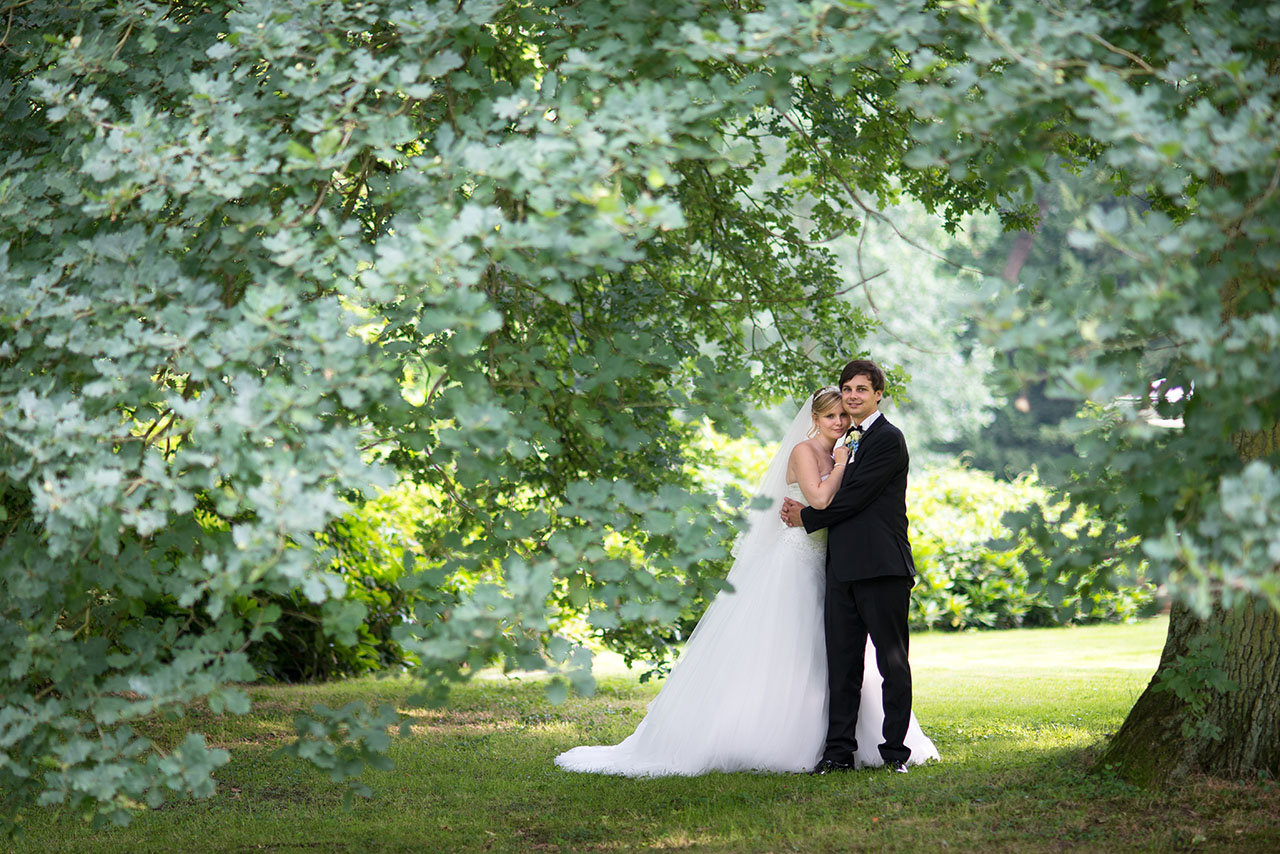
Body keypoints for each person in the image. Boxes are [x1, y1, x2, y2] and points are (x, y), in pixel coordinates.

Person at [554, 387, 938, 776]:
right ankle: (781, 738)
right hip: (797, 561)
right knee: (789, 646)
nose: (838, 422)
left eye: (842, 416)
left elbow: (849, 503)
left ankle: (852, 744)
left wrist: (833, 474)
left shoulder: (852, 449)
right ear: (814, 419)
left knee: (835, 657)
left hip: (832, 562)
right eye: (830, 417)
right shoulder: (808, 452)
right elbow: (821, 501)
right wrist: (837, 467)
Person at [781, 359, 919, 774]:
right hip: (840, 567)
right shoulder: (843, 440)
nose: (853, 395)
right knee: (842, 665)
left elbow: (855, 496)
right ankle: (839, 752)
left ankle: (895, 754)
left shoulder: (887, 439)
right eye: (847, 389)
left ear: (878, 393)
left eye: (861, 388)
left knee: (892, 663)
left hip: (882, 567)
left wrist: (807, 518)